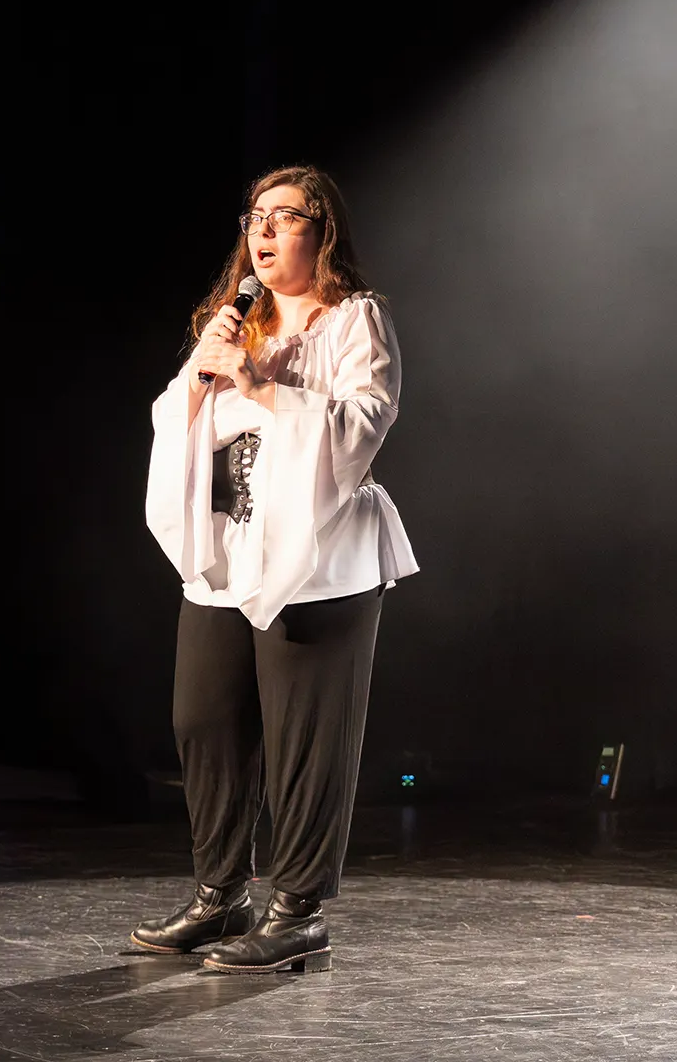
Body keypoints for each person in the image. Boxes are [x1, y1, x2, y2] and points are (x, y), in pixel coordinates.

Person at [136, 165, 419, 974]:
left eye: (285, 217)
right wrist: (203, 375)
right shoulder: (235, 322)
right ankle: (218, 894)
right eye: (255, 218)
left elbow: (365, 422)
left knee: (305, 740)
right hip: (231, 549)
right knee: (204, 721)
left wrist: (261, 386)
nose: (262, 233)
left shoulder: (356, 319)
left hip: (318, 560)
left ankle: (296, 909)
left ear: (322, 231)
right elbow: (171, 423)